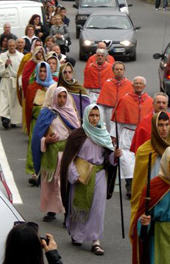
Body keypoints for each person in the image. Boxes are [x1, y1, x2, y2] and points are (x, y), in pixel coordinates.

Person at [60, 104, 122, 255]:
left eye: (97, 116)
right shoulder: (77, 135)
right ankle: (77, 235)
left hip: (99, 174)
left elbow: (109, 159)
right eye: (91, 116)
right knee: (78, 205)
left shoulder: (104, 135)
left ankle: (96, 241)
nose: (94, 119)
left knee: (97, 208)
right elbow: (68, 158)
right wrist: (74, 175)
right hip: (81, 174)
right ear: (86, 117)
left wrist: (115, 155)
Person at [129, 111, 170, 238]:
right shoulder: (144, 151)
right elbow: (139, 181)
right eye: (160, 125)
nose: (164, 129)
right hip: (151, 198)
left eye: (166, 125)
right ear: (154, 127)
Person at [32, 87, 80, 223]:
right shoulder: (47, 113)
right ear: (54, 97)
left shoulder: (71, 113)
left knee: (64, 184)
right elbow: (37, 137)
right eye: (59, 96)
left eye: (65, 97)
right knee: (50, 184)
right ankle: (51, 210)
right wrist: (46, 140)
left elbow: (77, 134)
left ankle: (67, 213)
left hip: (66, 154)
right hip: (50, 154)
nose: (62, 100)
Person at [110, 76, 153, 199]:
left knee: (143, 160)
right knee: (127, 160)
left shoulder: (150, 101)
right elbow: (117, 120)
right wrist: (114, 135)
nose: (138, 85)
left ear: (144, 86)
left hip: (143, 134)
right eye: (136, 83)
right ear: (132, 85)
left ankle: (143, 185)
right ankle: (130, 185)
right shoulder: (124, 100)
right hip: (128, 133)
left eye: (141, 83)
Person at [25, 62, 56, 183]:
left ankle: (47, 171)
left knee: (49, 147)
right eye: (40, 71)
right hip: (36, 122)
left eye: (45, 71)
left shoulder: (54, 87)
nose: (42, 73)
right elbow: (28, 108)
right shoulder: (32, 87)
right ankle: (35, 172)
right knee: (35, 145)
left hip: (50, 124)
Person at [0, 39, 24, 129]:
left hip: (16, 82)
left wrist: (21, 82)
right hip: (6, 81)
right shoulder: (3, 56)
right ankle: (5, 119)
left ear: (16, 46)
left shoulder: (21, 56)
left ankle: (13, 121)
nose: (11, 47)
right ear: (7, 46)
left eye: (13, 46)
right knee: (4, 101)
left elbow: (23, 70)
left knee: (14, 103)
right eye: (10, 46)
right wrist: (5, 65)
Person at [97, 61, 133, 132]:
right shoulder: (108, 83)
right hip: (109, 111)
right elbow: (101, 103)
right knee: (110, 131)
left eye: (121, 69)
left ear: (124, 71)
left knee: (122, 132)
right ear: (113, 71)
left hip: (124, 112)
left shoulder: (129, 84)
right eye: (117, 69)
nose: (119, 71)